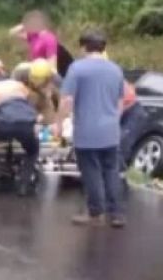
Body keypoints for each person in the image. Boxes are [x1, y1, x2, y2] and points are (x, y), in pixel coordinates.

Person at [57, 29, 127, 228]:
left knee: (91, 171)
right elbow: (121, 101)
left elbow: (67, 100)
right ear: (103, 48)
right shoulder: (116, 69)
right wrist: (113, 120)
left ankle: (96, 212)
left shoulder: (77, 69)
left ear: (83, 47)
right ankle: (116, 214)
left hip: (87, 131)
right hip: (111, 131)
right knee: (111, 171)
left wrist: (59, 123)